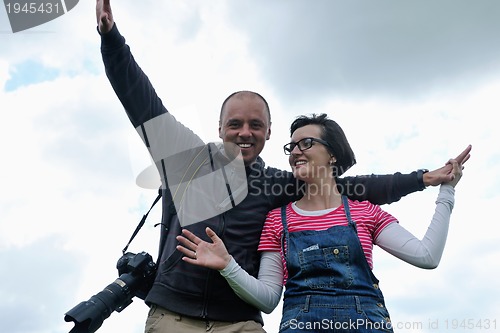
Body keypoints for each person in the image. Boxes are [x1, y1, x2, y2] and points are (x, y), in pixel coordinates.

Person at [95, 1, 472, 332]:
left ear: (268, 132)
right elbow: (141, 101)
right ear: (220, 128)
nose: (244, 133)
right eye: (235, 124)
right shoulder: (185, 160)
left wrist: (424, 179)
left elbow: (352, 188)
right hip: (173, 317)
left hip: (241, 322)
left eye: (255, 125)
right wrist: (112, 41)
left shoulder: (278, 185)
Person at [177, 113, 469, 333]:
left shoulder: (364, 212)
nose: (295, 152)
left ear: (332, 153)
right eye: (291, 147)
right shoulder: (277, 221)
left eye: (306, 143)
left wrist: (447, 192)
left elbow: (427, 256)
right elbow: (267, 299)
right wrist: (228, 265)